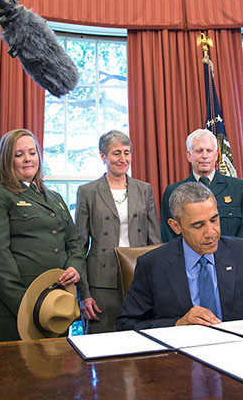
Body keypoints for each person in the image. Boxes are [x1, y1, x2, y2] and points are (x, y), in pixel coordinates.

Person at [116, 182, 243, 331]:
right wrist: (177, 324)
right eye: (198, 225)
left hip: (239, 358)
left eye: (214, 220)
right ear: (175, 226)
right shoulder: (153, 265)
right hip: (181, 365)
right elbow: (126, 325)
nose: (211, 232)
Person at [0, 129, 85, 344]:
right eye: (19, 154)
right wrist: (26, 305)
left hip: (52, 305)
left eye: (32, 153)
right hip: (8, 309)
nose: (28, 160)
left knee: (49, 375)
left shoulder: (55, 198)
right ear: (7, 159)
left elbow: (74, 242)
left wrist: (74, 267)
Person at [75, 130, 161, 333]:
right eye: (116, 153)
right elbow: (79, 246)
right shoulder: (88, 192)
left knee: (140, 344)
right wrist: (83, 294)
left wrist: (157, 286)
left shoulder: (144, 189)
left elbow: (155, 242)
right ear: (103, 156)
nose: (123, 159)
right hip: (101, 284)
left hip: (139, 279)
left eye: (127, 152)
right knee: (101, 346)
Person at [160, 129, 243, 243]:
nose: (205, 156)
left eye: (209, 151)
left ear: (216, 155)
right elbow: (170, 239)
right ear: (189, 156)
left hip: (233, 259)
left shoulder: (238, 188)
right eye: (199, 151)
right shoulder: (173, 192)